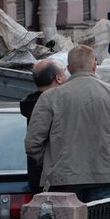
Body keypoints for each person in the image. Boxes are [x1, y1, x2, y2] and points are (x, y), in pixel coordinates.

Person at [24, 45, 110, 202]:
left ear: (69, 68)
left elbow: (33, 144)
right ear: (94, 65)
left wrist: (51, 162)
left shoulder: (50, 97)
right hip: (103, 174)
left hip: (63, 177)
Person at [20, 59, 68, 191]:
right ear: (58, 78)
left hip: (38, 178)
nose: (67, 77)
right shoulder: (53, 106)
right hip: (53, 181)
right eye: (64, 72)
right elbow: (33, 145)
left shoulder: (31, 104)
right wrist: (51, 163)